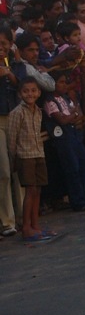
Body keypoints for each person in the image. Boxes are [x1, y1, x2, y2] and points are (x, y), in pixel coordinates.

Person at [7, 77, 53, 241]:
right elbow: (12, 140)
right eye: (26, 91)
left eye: (33, 91)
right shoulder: (16, 113)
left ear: (39, 93)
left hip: (38, 153)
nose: (30, 94)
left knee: (38, 189)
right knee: (30, 190)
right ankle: (26, 227)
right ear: (20, 94)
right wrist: (13, 160)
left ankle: (36, 225)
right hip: (24, 156)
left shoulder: (38, 111)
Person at [43, 71, 85, 211]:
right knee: (73, 168)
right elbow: (62, 119)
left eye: (65, 82)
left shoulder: (66, 98)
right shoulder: (49, 101)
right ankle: (78, 202)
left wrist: (73, 114)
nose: (64, 85)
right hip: (63, 138)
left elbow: (78, 115)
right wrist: (73, 115)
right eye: (60, 82)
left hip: (73, 134)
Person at [0, 25, 19, 237]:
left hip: (14, 117)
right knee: (3, 171)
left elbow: (26, 84)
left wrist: (11, 75)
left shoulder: (15, 63)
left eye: (4, 44)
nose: (0, 48)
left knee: (17, 169)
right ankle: (7, 221)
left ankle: (23, 216)